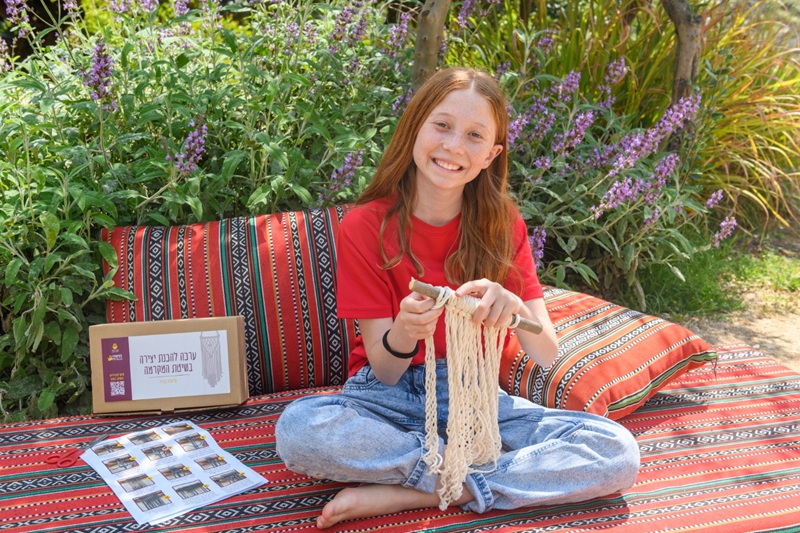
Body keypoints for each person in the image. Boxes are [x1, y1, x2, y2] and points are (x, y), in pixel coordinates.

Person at [275, 67, 640, 529]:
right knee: (298, 430)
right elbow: (385, 371)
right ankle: (469, 478)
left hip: (478, 402)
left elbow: (546, 353)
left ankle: (427, 488)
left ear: (491, 155)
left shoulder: (503, 226)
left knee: (617, 451)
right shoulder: (366, 226)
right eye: (442, 125)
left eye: (474, 135)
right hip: (385, 403)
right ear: (415, 128)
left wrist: (514, 308)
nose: (453, 146)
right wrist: (406, 329)